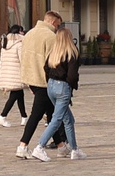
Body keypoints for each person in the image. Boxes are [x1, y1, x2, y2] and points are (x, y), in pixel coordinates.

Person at [31, 11, 84, 161]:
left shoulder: (53, 52)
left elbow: (46, 68)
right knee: (57, 119)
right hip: (62, 88)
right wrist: (70, 85)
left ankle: (74, 149)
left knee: (69, 120)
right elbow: (72, 75)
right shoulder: (71, 53)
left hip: (51, 87)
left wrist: (51, 82)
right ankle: (39, 147)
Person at [22, 13, 75, 159]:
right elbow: (54, 62)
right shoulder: (50, 36)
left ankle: (61, 146)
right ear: (52, 22)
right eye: (57, 25)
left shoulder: (29, 34)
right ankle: (23, 145)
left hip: (31, 79)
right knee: (37, 115)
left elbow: (23, 57)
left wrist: (27, 80)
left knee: (52, 113)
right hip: (46, 81)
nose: (58, 28)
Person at [0, 26, 29, 121]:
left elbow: (1, 61)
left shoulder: (5, 44)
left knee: (19, 94)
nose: (23, 33)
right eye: (22, 31)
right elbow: (22, 60)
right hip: (16, 73)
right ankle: (2, 116)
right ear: (19, 32)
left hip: (8, 73)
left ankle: (24, 117)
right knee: (14, 95)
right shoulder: (19, 44)